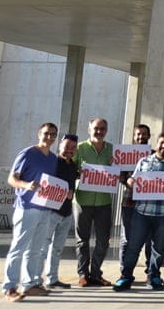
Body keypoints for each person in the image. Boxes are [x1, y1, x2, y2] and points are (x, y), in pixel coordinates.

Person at [113, 133, 164, 291]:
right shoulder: (144, 161)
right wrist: (131, 181)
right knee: (133, 246)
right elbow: (133, 179)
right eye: (161, 143)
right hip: (142, 212)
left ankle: (153, 276)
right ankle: (126, 276)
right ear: (156, 144)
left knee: (158, 249)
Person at [2, 122, 59, 302]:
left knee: (36, 249)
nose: (49, 137)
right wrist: (26, 185)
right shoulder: (27, 153)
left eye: (53, 134)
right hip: (26, 207)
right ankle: (9, 287)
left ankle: (30, 283)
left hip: (44, 208)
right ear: (39, 134)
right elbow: (12, 179)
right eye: (46, 133)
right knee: (19, 247)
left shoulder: (52, 158)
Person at [73, 117, 114, 287]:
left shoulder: (112, 149)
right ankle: (83, 274)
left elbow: (119, 172)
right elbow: (70, 169)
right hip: (82, 200)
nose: (99, 131)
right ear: (89, 129)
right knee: (82, 240)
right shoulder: (79, 148)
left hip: (104, 201)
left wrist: (115, 166)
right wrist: (79, 172)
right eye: (96, 128)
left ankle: (96, 273)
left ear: (106, 130)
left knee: (103, 240)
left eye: (102, 128)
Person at [39, 133, 79, 290]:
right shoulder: (53, 162)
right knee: (43, 247)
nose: (70, 150)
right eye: (67, 146)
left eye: (73, 148)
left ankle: (52, 278)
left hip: (66, 212)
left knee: (57, 248)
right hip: (51, 211)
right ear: (60, 145)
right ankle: (35, 279)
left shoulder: (73, 165)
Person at [119, 123, 151, 280]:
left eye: (144, 134)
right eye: (138, 134)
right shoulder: (126, 154)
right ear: (134, 136)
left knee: (149, 239)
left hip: (148, 202)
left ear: (149, 136)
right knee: (127, 238)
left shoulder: (153, 155)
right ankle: (125, 272)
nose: (141, 137)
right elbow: (120, 176)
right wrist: (127, 181)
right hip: (129, 200)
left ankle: (150, 272)